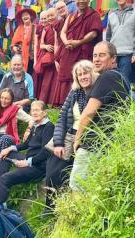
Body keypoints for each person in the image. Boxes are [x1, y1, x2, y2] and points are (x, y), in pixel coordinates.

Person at [70, 41, 130, 192]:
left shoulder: (107, 77)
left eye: (102, 55)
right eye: (94, 55)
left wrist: (77, 138)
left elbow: (89, 112)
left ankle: (76, 216)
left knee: (77, 188)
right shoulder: (121, 78)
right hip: (108, 145)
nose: (96, 59)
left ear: (113, 59)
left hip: (93, 144)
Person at [45, 60, 98, 209]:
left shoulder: (98, 92)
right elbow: (62, 118)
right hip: (69, 137)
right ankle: (50, 209)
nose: (83, 77)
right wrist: (58, 143)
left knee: (74, 176)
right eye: (79, 74)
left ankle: (69, 209)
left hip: (87, 139)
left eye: (85, 73)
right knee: (52, 173)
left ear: (92, 73)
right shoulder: (75, 92)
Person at [0, 100, 54, 205]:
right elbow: (26, 144)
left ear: (44, 112)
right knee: (7, 153)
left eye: (37, 110)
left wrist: (27, 162)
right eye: (32, 110)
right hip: (28, 159)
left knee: (5, 178)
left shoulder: (49, 127)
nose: (34, 113)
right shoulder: (36, 125)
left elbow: (46, 152)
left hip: (38, 167)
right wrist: (10, 148)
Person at [55, 0, 102, 106]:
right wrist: (66, 42)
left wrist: (79, 42)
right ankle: (66, 104)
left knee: (83, 75)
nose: (81, 1)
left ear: (89, 0)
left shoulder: (94, 15)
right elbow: (63, 32)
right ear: (75, 1)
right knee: (67, 77)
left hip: (83, 51)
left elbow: (93, 33)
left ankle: (82, 103)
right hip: (69, 51)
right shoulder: (71, 16)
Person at [106, 0, 135, 82]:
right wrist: (107, 53)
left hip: (128, 53)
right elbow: (108, 36)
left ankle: (126, 98)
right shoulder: (111, 14)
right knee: (113, 80)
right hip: (114, 54)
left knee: (124, 81)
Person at [0, 88, 32, 168]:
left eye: (7, 99)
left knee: (4, 139)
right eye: (2, 98)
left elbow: (31, 119)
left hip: (8, 136)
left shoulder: (15, 110)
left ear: (11, 100)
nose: (3, 101)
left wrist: (28, 130)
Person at [33, 8, 59, 105]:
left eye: (46, 18)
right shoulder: (42, 29)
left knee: (52, 80)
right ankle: (40, 100)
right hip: (44, 55)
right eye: (43, 18)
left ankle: (51, 101)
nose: (44, 20)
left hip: (54, 56)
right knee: (42, 79)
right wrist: (46, 47)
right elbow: (39, 45)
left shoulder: (55, 26)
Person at [11, 8, 37, 74]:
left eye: (26, 15)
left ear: (30, 16)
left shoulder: (36, 27)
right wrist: (14, 47)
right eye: (23, 16)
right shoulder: (19, 28)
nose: (25, 16)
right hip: (20, 56)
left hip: (31, 57)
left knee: (29, 75)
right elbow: (14, 42)